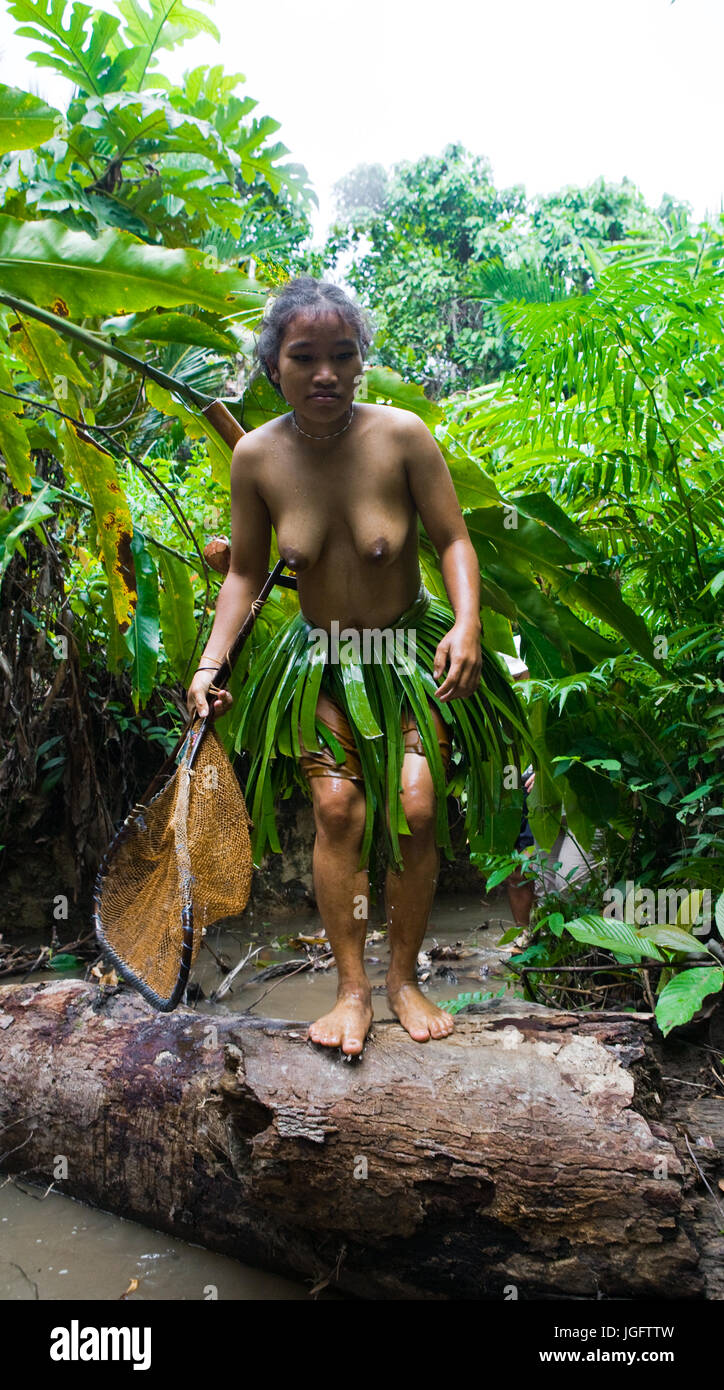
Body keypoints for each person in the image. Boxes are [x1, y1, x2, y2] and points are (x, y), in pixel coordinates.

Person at [187, 276, 534, 1056]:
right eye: (304, 356)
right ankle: (351, 992)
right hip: (318, 663)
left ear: (360, 361)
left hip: (410, 653)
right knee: (339, 811)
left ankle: (404, 980)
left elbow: (453, 540)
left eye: (343, 356)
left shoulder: (402, 435)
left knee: (415, 807)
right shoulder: (256, 456)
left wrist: (469, 624)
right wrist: (210, 666)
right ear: (273, 363)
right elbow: (244, 572)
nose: (325, 374)